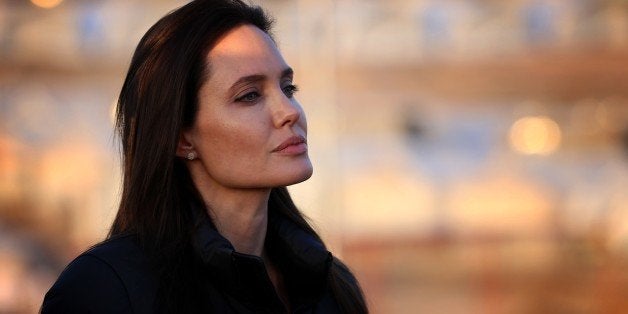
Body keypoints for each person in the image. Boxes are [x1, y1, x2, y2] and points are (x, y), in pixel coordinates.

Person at [40, 0, 368, 313]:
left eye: (287, 88)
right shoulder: (104, 291)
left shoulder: (332, 286)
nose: (289, 112)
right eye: (250, 95)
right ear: (182, 138)